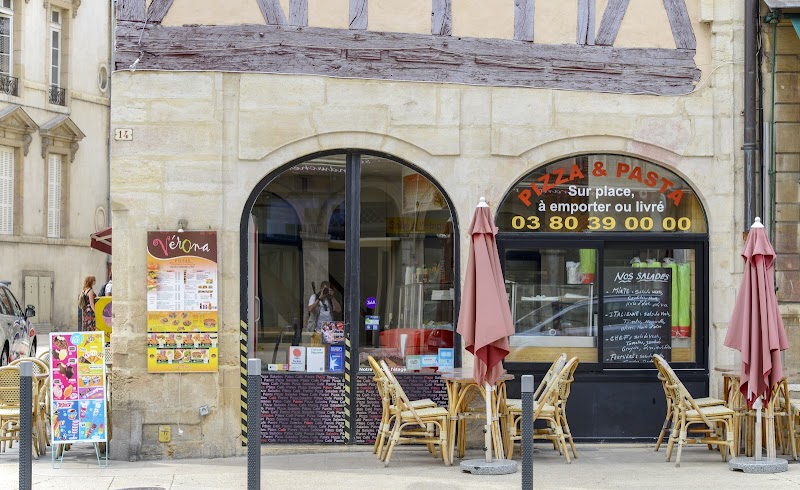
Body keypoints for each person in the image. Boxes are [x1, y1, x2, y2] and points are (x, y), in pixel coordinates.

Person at [307, 281, 341, 345]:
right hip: (317, 331)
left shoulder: (329, 299)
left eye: (327, 290)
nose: (326, 292)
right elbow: (310, 309)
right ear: (320, 289)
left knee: (327, 350)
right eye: (324, 289)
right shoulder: (314, 297)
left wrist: (332, 297)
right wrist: (319, 298)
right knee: (317, 350)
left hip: (328, 331)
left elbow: (338, 310)